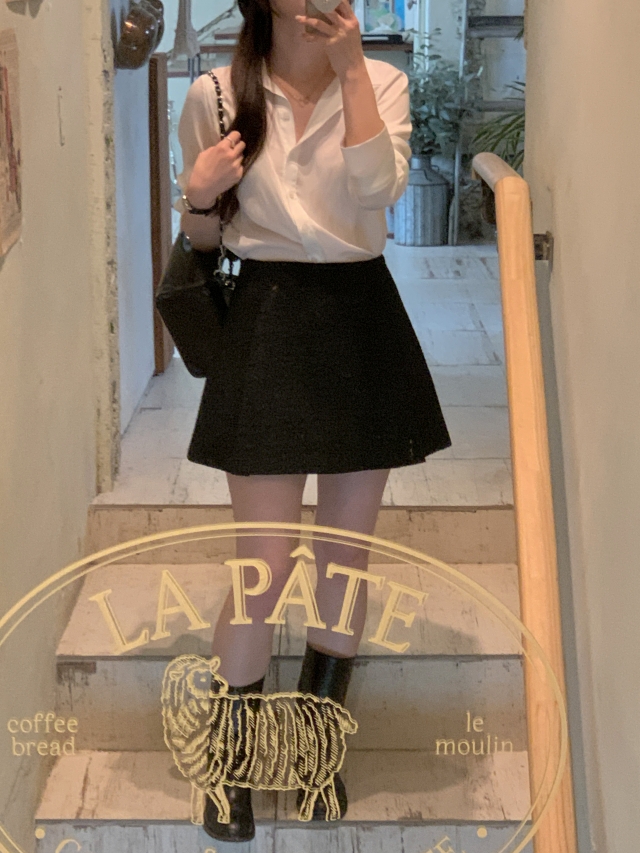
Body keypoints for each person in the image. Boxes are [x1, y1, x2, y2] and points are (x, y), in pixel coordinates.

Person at [174, 0, 452, 841]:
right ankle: (228, 764)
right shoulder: (216, 95)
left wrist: (351, 68)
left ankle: (316, 754)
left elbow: (379, 190)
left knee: (344, 561)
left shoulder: (383, 82)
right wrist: (196, 196)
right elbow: (204, 241)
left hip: (361, 319)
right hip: (266, 321)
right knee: (262, 565)